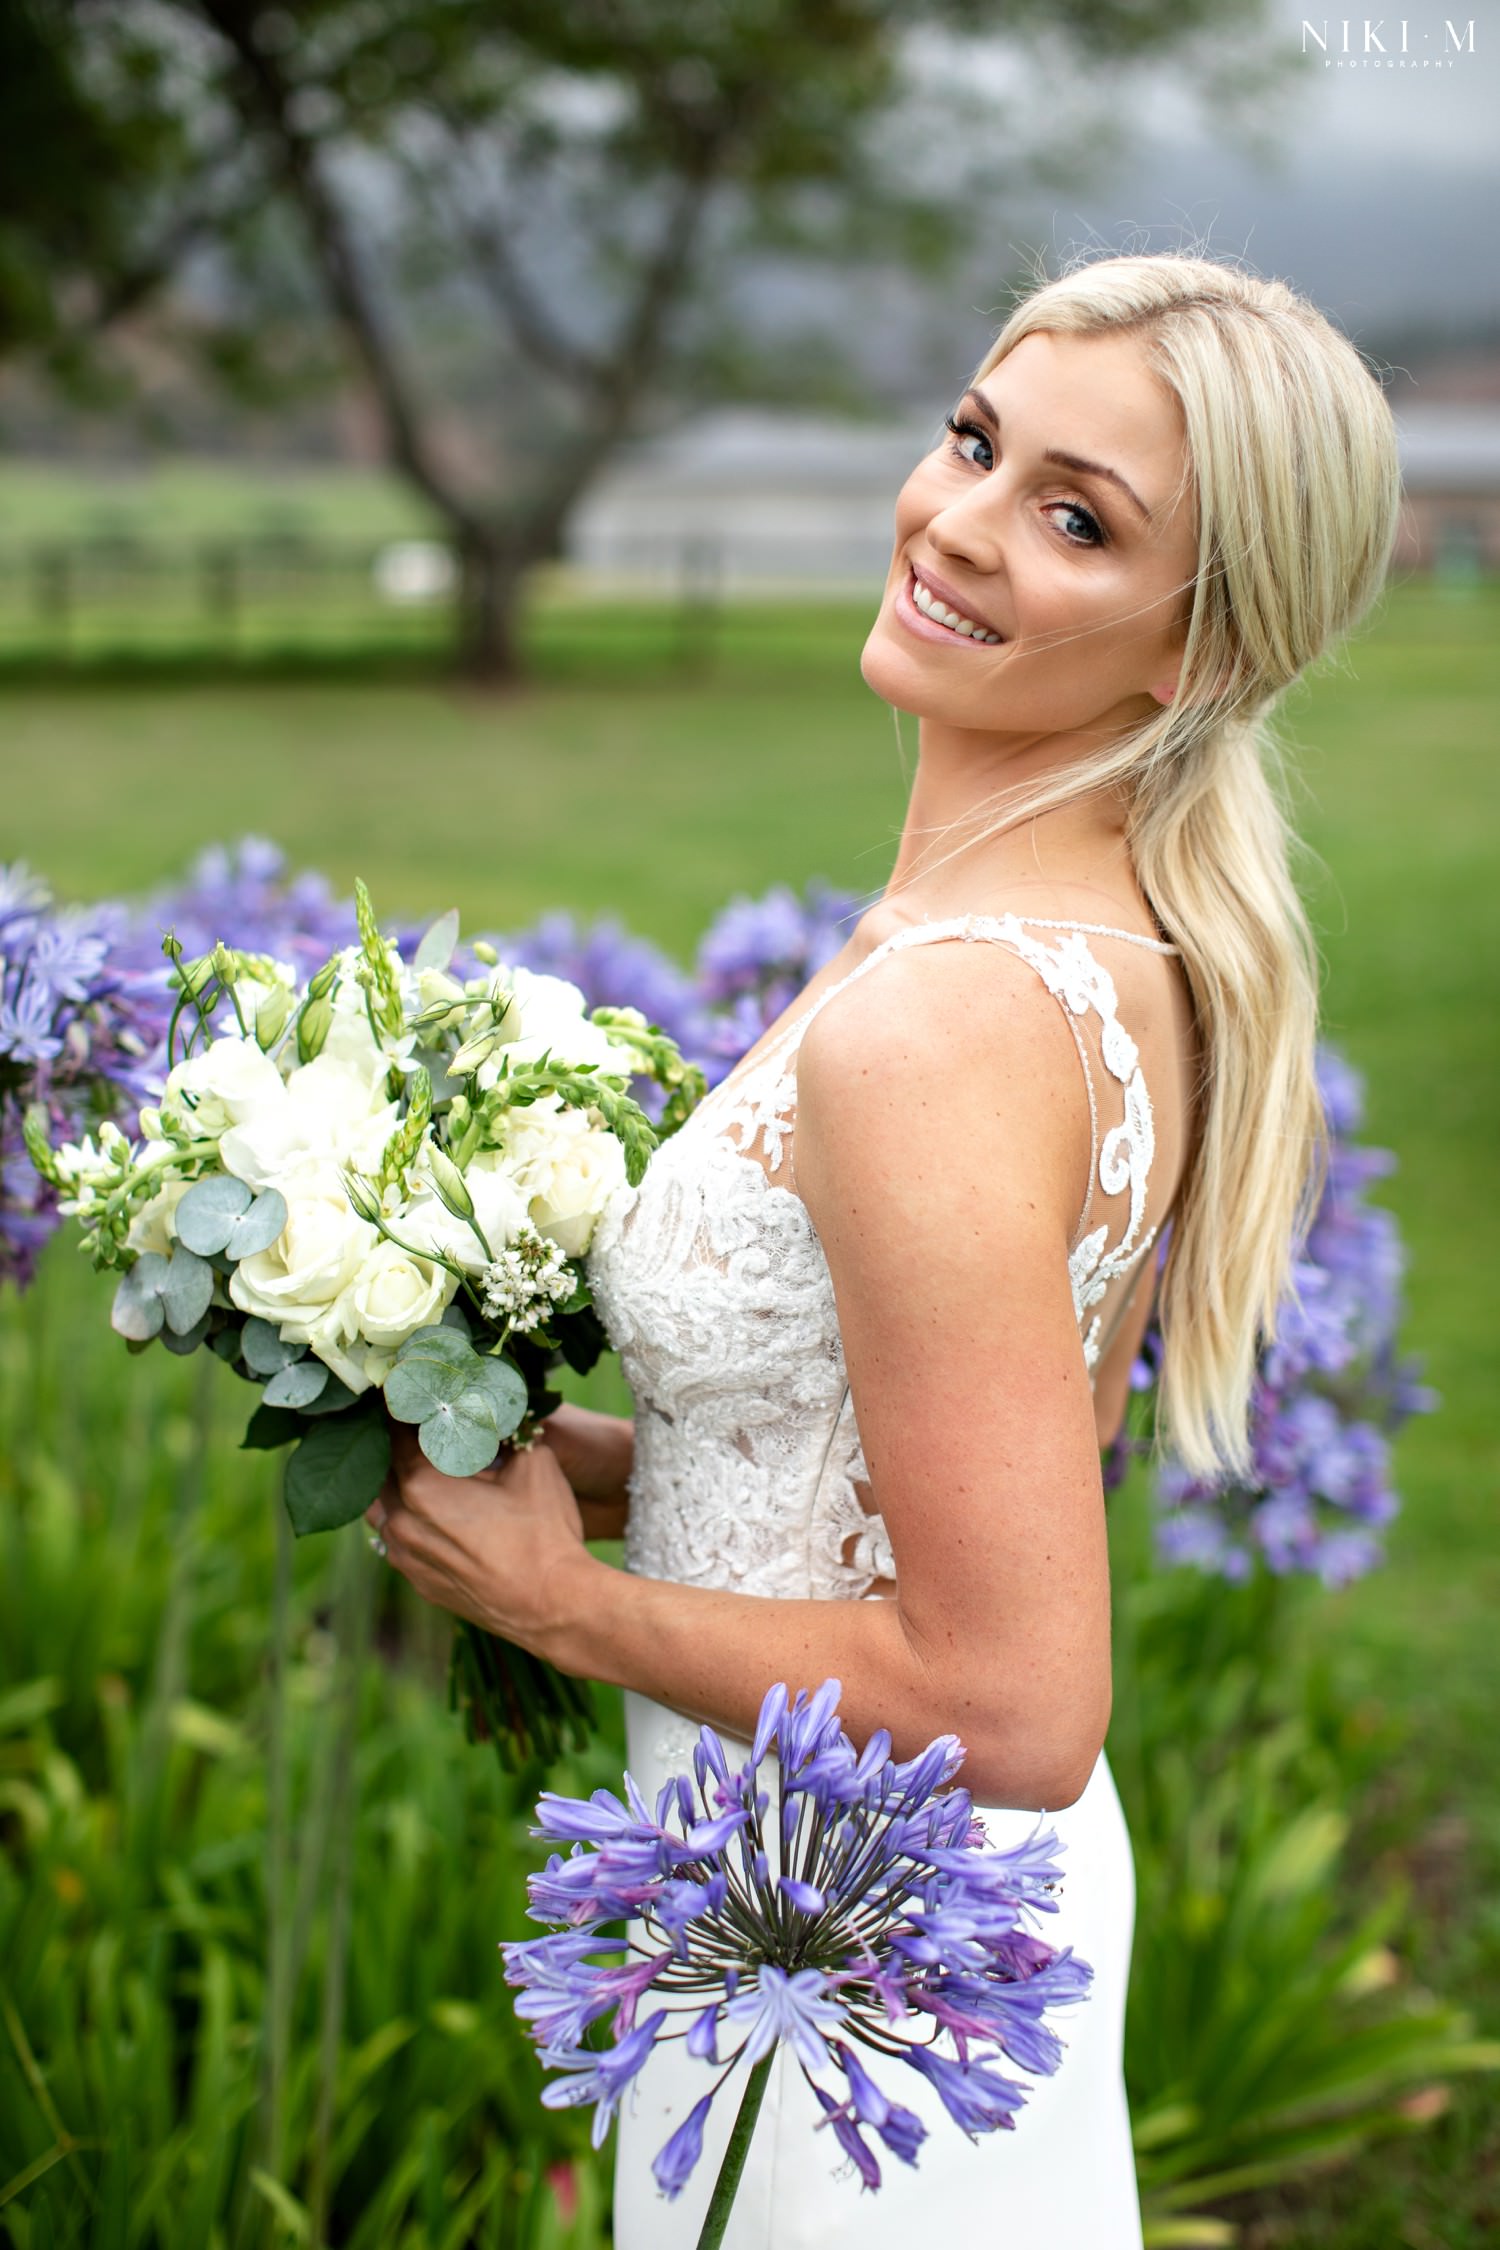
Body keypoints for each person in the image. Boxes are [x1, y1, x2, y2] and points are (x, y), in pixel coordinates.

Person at [366, 250, 1402, 2246]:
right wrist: (611, 1463)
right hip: (842, 1913)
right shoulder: (1101, 951)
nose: (960, 524)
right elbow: (950, 1439)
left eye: (1077, 519)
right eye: (978, 442)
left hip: (834, 1946)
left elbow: (1017, 1704)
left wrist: (563, 1611)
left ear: (1199, 649)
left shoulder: (942, 1022)